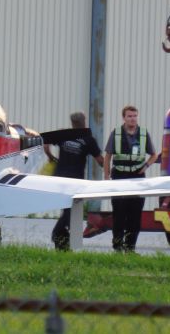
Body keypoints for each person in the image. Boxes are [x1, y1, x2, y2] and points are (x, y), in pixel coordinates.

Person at [45, 111, 103, 251]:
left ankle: (65, 239)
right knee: (70, 210)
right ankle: (58, 234)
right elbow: (99, 160)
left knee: (67, 209)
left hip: (59, 178)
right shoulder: (88, 139)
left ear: (72, 123)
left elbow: (46, 144)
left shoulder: (63, 135)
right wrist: (108, 166)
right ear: (84, 122)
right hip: (75, 181)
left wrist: (51, 158)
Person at [103, 105, 158, 253]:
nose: (133, 119)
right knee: (119, 214)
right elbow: (107, 156)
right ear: (124, 118)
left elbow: (154, 155)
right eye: (129, 116)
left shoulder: (144, 134)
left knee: (135, 214)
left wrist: (146, 166)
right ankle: (117, 246)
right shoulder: (116, 134)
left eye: (135, 116)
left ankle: (130, 248)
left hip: (137, 177)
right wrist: (106, 177)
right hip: (119, 176)